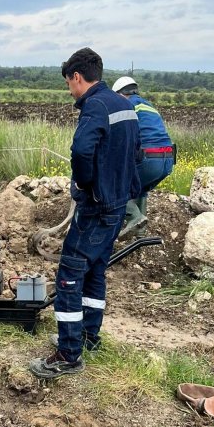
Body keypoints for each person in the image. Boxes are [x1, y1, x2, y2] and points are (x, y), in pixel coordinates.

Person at [30, 48, 140, 380]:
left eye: (69, 84)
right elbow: (136, 153)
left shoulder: (94, 106)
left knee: (69, 276)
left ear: (77, 77)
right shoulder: (126, 105)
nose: (70, 90)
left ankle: (68, 354)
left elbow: (81, 150)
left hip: (96, 207)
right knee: (94, 273)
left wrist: (85, 183)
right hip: (118, 205)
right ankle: (88, 337)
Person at [112, 76, 175, 236]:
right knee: (139, 189)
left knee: (112, 188)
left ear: (119, 94)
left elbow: (120, 135)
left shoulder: (126, 105)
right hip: (168, 159)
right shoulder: (149, 106)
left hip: (149, 158)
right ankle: (140, 233)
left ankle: (135, 217)